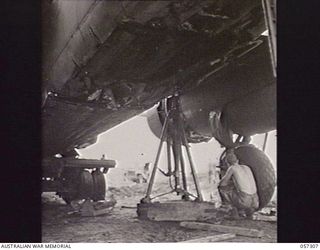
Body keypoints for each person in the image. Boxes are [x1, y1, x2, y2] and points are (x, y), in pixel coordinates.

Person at [218, 152, 259, 218]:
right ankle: (249, 213)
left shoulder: (232, 168)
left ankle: (232, 211)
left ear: (227, 163)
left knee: (221, 188)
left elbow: (222, 184)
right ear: (237, 160)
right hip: (255, 201)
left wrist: (223, 177)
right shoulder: (247, 167)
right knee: (241, 191)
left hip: (245, 201)